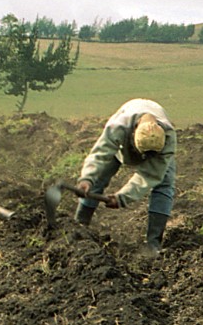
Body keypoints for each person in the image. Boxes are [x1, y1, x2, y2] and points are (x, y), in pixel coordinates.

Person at [75, 98, 177, 254]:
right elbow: (100, 155)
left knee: (164, 185)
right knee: (98, 178)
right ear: (134, 132)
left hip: (157, 153)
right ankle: (80, 225)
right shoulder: (119, 126)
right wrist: (86, 178)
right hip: (121, 149)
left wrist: (123, 197)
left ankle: (153, 244)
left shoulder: (168, 137)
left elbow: (150, 175)